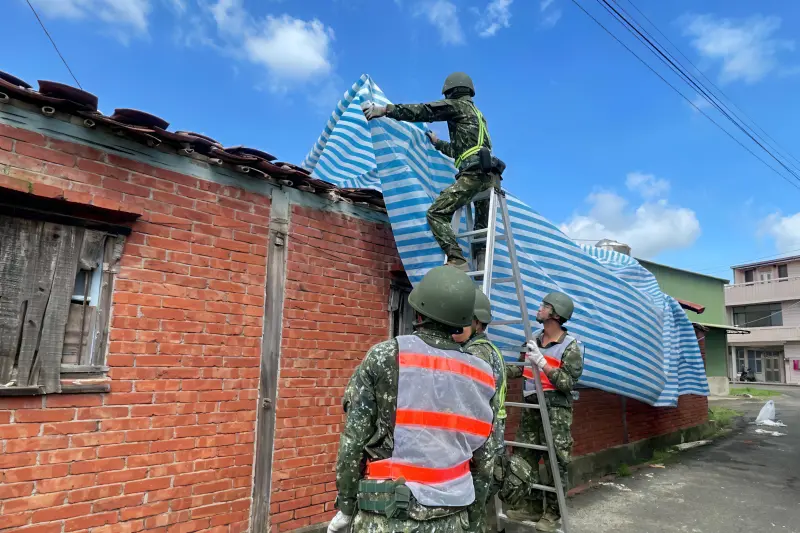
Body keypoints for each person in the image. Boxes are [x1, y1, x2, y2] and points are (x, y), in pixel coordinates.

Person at [328, 266, 496, 533]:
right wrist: (474, 521)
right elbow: (485, 461)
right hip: (453, 517)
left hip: (388, 516)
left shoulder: (385, 356)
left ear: (418, 310)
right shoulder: (482, 374)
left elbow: (353, 443)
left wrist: (347, 507)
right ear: (464, 320)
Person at [361, 72, 502, 271]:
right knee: (480, 228)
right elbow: (460, 150)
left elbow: (425, 110)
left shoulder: (457, 106)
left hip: (474, 175)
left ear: (451, 92)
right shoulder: (478, 117)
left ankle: (457, 260)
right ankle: (481, 262)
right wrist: (437, 143)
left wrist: (385, 110)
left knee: (436, 213)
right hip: (491, 178)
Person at [505, 291, 583, 533]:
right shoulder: (533, 340)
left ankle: (552, 514)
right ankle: (531, 506)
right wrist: (496, 367)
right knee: (524, 456)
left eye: (544, 306)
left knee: (554, 462)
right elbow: (521, 369)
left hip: (555, 411)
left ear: (556, 314)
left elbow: (567, 383)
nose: (539, 309)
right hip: (531, 407)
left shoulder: (571, 346)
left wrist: (543, 363)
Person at [461, 289, 508, 533]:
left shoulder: (475, 353)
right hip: (492, 438)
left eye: (464, 318)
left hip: (480, 442)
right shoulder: (491, 349)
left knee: (471, 510)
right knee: (478, 506)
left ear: (477, 322)